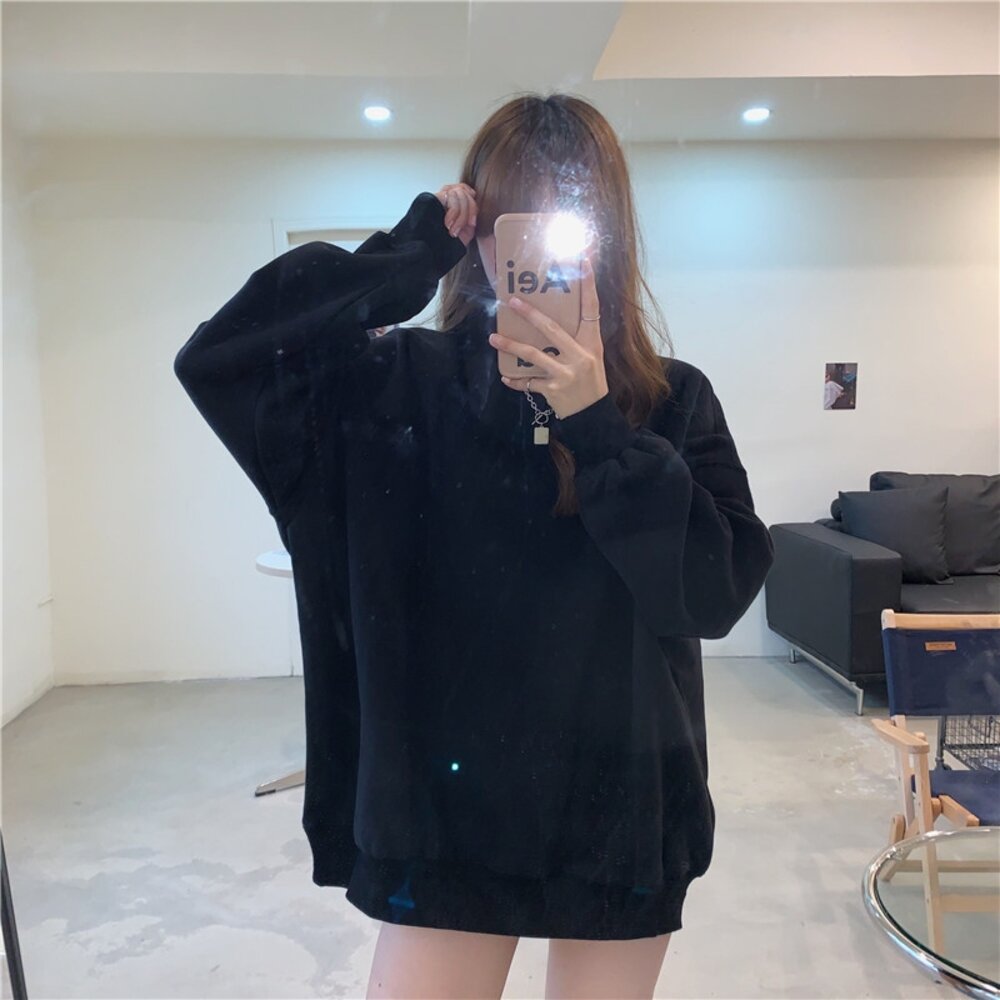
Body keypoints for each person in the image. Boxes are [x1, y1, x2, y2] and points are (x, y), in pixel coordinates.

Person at [174, 92, 775, 999]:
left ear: (605, 239)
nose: (530, 258)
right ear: (477, 231)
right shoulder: (394, 385)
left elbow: (714, 589)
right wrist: (403, 259)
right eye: (508, 223)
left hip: (621, 808)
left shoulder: (670, 400)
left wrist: (596, 426)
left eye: (564, 226)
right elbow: (223, 360)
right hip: (444, 813)